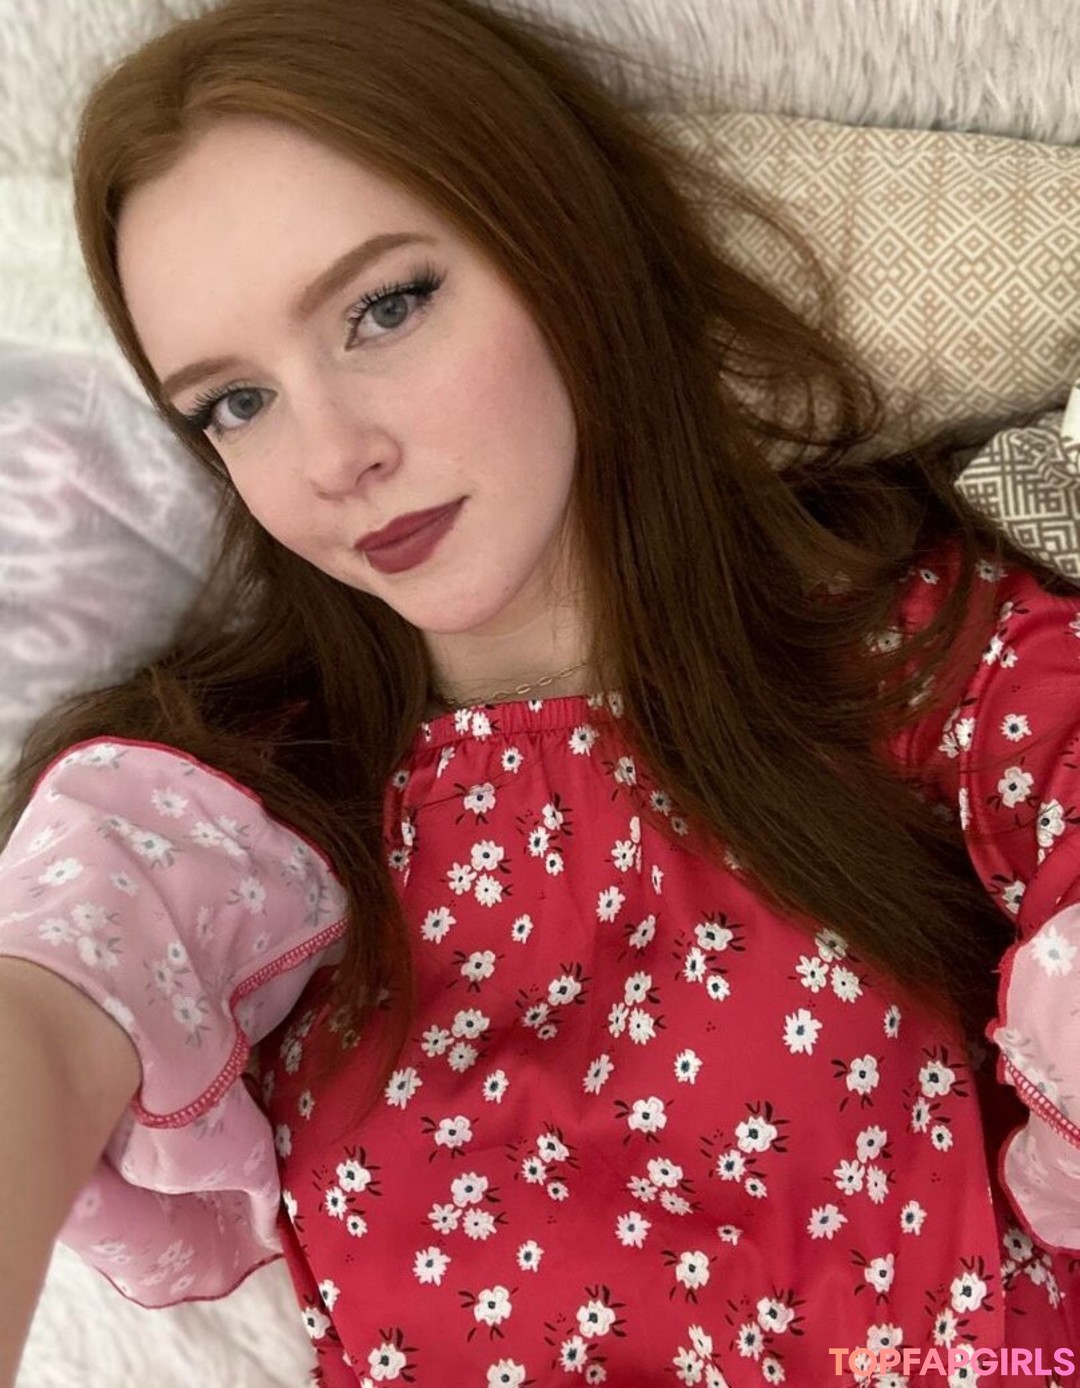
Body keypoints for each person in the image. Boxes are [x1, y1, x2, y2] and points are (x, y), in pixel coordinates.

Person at [0, 0, 1077, 1382]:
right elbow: (42, 1015)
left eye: (387, 307)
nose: (332, 454)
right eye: (235, 403)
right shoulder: (247, 808)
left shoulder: (919, 646)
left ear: (556, 244)